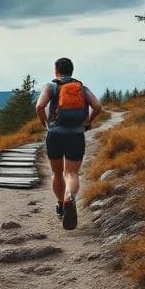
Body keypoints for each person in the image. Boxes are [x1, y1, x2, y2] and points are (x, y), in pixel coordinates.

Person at [35, 57, 103, 230]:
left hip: (55, 135)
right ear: (71, 71)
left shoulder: (50, 86)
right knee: (71, 173)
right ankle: (69, 198)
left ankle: (60, 204)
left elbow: (39, 106)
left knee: (57, 173)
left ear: (56, 70)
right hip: (76, 135)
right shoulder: (81, 88)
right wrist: (88, 122)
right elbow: (98, 106)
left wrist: (45, 124)